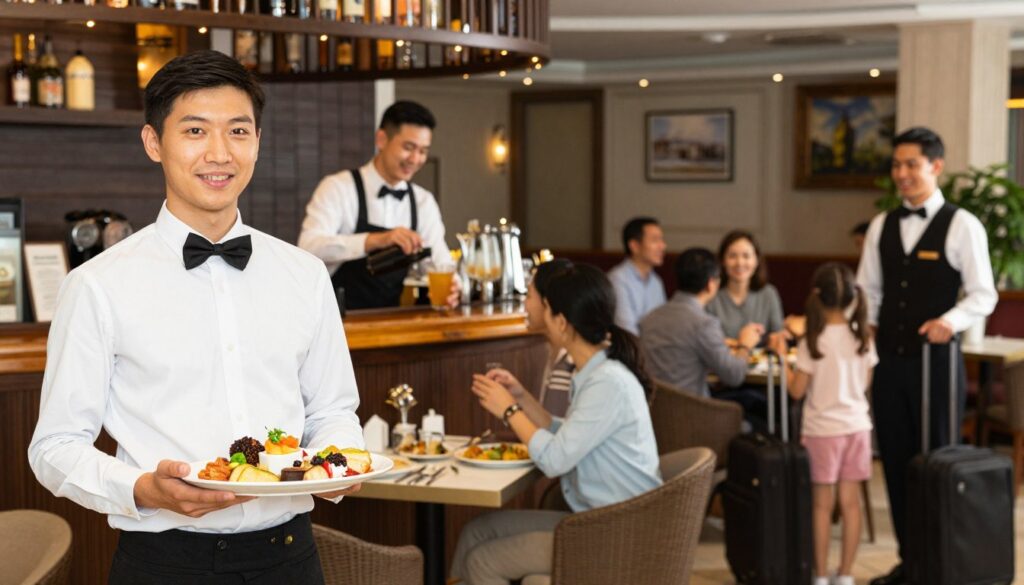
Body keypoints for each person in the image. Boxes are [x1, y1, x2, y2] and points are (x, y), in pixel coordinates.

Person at [27, 50, 365, 584]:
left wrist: (342, 461)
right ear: (153, 143)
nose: (219, 153)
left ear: (257, 141)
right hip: (162, 563)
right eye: (195, 131)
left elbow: (333, 409)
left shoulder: (304, 274)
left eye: (238, 131)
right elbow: (55, 447)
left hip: (290, 557)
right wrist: (141, 487)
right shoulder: (97, 284)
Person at [451, 264, 661, 585]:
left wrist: (509, 411)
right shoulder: (595, 372)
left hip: (614, 532)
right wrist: (523, 400)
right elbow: (569, 436)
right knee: (476, 531)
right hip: (595, 521)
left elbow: (554, 459)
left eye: (537, 299)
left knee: (484, 561)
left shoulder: (607, 382)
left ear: (561, 321)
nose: (528, 303)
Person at [856, 127, 997, 585]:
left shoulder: (963, 224)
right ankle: (910, 561)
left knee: (934, 462)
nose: (901, 174)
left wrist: (950, 322)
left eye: (910, 165)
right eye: (896, 165)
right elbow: (867, 291)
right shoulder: (881, 225)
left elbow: (983, 294)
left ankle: (940, 566)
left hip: (936, 366)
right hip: (890, 364)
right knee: (895, 463)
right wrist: (867, 327)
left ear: (935, 166)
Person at [770, 263, 876, 585]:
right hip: (857, 428)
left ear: (816, 295)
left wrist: (780, 355)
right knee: (851, 505)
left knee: (820, 506)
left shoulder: (811, 342)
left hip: (821, 432)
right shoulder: (864, 339)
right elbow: (865, 384)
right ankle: (845, 575)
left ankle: (819, 575)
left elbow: (796, 391)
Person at [298, 100, 456, 310]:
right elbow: (308, 248)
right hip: (337, 321)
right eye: (408, 147)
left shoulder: (423, 202)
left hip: (391, 321)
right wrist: (376, 240)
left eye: (423, 151)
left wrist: (455, 287)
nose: (415, 159)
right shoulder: (338, 188)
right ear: (381, 139)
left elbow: (438, 260)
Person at [640, 247, 761, 399]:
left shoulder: (649, 318)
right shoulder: (704, 324)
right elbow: (734, 375)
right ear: (711, 284)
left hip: (654, 413)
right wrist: (745, 345)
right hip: (694, 414)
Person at [484, 258, 575, 420]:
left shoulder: (568, 362)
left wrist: (509, 410)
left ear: (548, 304)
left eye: (529, 295)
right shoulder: (556, 351)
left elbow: (554, 440)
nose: (524, 304)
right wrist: (519, 395)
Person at [706, 230, 784, 342]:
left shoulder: (769, 293)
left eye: (746, 256)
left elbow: (777, 335)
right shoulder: (711, 295)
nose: (739, 263)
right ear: (722, 261)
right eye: (732, 256)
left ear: (756, 260)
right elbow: (706, 340)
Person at [607, 216, 667, 335]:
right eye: (655, 240)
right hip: (629, 350)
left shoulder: (656, 281)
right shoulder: (618, 280)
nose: (663, 246)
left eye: (662, 240)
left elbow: (663, 323)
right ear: (634, 246)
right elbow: (627, 331)